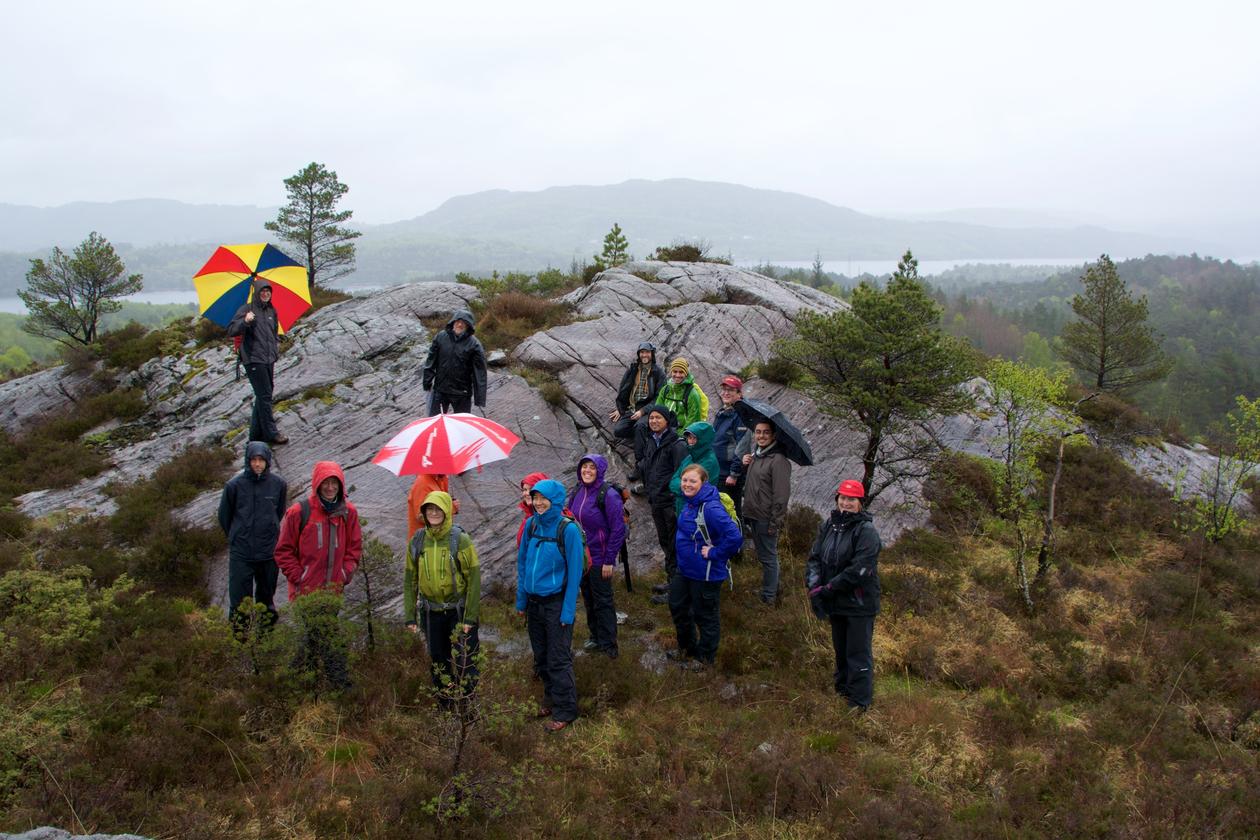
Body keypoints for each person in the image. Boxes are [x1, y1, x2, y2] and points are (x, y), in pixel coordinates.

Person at [274, 461, 363, 690]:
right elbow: (283, 550)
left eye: (334, 483)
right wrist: (299, 577)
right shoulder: (298, 512)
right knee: (325, 634)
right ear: (317, 484)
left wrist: (345, 573)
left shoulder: (348, 512)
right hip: (306, 591)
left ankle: (299, 685)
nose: (330, 487)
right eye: (326, 483)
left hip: (332, 590)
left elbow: (354, 548)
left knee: (314, 638)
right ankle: (341, 685)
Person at [806, 479, 882, 712]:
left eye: (852, 499)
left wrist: (829, 588)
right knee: (840, 648)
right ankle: (842, 690)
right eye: (843, 498)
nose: (846, 503)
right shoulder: (829, 525)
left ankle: (859, 702)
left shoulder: (866, 531)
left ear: (860, 502)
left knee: (857, 652)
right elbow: (815, 557)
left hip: (859, 603)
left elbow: (860, 570)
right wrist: (814, 584)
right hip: (835, 601)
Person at [516, 479, 585, 731]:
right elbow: (522, 564)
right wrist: (521, 599)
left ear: (555, 500)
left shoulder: (567, 530)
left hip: (556, 604)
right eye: (535, 498)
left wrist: (568, 611)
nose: (538, 503)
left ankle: (566, 710)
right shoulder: (531, 525)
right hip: (534, 604)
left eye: (543, 498)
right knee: (542, 656)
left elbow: (575, 573)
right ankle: (550, 699)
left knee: (558, 658)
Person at [404, 491, 481, 701]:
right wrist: (410, 614)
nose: (434, 513)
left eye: (439, 509)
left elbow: (474, 579)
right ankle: (446, 706)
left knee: (466, 662)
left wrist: (470, 618)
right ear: (424, 512)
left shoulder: (460, 539)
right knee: (438, 660)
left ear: (447, 511)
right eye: (430, 509)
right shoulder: (418, 540)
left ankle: (467, 708)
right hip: (431, 613)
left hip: (458, 612)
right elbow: (410, 578)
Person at [668, 464, 742, 670]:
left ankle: (705, 659)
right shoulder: (689, 502)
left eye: (693, 481)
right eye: (685, 480)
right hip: (685, 570)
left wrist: (715, 552)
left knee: (705, 616)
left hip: (707, 573)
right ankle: (687, 648)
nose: (687, 484)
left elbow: (735, 537)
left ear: (703, 483)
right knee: (678, 605)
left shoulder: (710, 507)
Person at [217, 440, 287, 632]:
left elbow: (279, 512)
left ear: (267, 461)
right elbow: (224, 516)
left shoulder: (278, 485)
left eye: (261, 460)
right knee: (239, 602)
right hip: (242, 554)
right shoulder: (233, 486)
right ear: (247, 461)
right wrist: (237, 536)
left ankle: (266, 638)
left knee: (266, 600)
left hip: (268, 553)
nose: (257, 464)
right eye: (254, 459)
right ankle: (241, 640)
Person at [569, 454, 625, 659]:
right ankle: (595, 636)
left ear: (600, 470)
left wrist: (609, 559)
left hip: (600, 558)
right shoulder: (577, 491)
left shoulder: (608, 495)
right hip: (582, 558)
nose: (587, 471)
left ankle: (609, 644)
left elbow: (618, 529)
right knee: (589, 598)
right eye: (584, 467)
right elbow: (569, 519)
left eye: (592, 467)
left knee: (603, 600)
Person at [636, 405, 690, 605]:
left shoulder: (677, 444)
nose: (654, 421)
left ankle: (676, 590)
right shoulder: (652, 440)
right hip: (656, 500)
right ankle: (672, 581)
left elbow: (684, 475)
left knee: (676, 546)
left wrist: (675, 500)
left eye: (658, 418)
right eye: (651, 418)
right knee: (666, 543)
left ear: (667, 421)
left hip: (671, 504)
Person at [227, 278, 287, 445]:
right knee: (265, 395)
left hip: (268, 358)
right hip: (253, 359)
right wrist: (245, 321)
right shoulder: (246, 310)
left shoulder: (271, 311)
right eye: (262, 291)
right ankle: (272, 434)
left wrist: (275, 348)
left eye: (268, 291)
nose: (266, 293)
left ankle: (255, 436)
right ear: (256, 292)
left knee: (263, 395)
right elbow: (232, 330)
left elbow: (273, 332)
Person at [742, 420, 792, 605]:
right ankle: (770, 587)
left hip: (766, 517)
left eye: (766, 433)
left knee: (769, 557)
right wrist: (745, 463)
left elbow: (781, 495)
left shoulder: (778, 460)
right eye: (758, 432)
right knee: (763, 556)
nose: (761, 436)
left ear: (773, 436)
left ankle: (769, 596)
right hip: (753, 514)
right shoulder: (758, 456)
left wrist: (775, 522)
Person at [610, 342, 666, 479]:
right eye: (642, 352)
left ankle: (640, 465)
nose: (644, 355)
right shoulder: (633, 369)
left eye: (647, 352)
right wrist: (621, 409)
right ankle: (644, 436)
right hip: (632, 408)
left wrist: (643, 411)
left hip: (648, 410)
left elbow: (659, 397)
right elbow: (624, 388)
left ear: (652, 354)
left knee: (640, 426)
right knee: (619, 431)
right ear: (639, 354)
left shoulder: (658, 373)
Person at [422, 309, 488, 414]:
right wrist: (427, 382)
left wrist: (479, 399)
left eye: (464, 322)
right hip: (440, 390)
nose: (460, 324)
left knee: (461, 426)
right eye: (458, 321)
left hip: (462, 393)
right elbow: (431, 360)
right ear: (453, 322)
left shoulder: (474, 345)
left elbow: (480, 373)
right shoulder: (441, 337)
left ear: (468, 325)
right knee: (436, 423)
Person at [712, 376, 751, 522]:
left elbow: (743, 446)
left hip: (729, 474)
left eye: (730, 390)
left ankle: (737, 542)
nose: (726, 393)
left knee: (732, 512)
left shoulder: (740, 415)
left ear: (739, 393)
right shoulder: (723, 412)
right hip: (718, 470)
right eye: (724, 389)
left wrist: (734, 473)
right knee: (720, 511)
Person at [668, 422, 721, 512]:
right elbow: (673, 481)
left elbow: (696, 490)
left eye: (694, 438)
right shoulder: (690, 457)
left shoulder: (709, 461)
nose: (691, 441)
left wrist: (682, 485)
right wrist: (684, 487)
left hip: (697, 510)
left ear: (703, 439)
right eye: (689, 438)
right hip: (682, 506)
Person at [654, 358, 707, 430]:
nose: (677, 375)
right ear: (671, 372)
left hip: (682, 434)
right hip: (665, 430)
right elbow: (657, 411)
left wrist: (679, 436)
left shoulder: (692, 394)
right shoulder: (665, 390)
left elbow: (692, 420)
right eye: (675, 371)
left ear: (686, 373)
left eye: (681, 372)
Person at [406, 473, 459, 541]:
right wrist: (452, 508)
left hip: (439, 537)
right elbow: (421, 517)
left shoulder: (441, 478)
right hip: (423, 541)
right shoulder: (423, 484)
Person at [516, 472, 550, 546]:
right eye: (524, 490)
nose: (527, 493)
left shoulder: (556, 517)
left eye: (531, 489)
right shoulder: (529, 518)